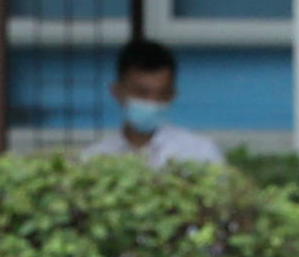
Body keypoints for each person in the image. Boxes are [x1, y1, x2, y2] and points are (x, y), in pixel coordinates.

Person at [84, 38, 224, 169]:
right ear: (117, 92)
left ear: (173, 95)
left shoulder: (199, 153)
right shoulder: (94, 158)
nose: (152, 102)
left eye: (162, 94)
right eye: (141, 93)